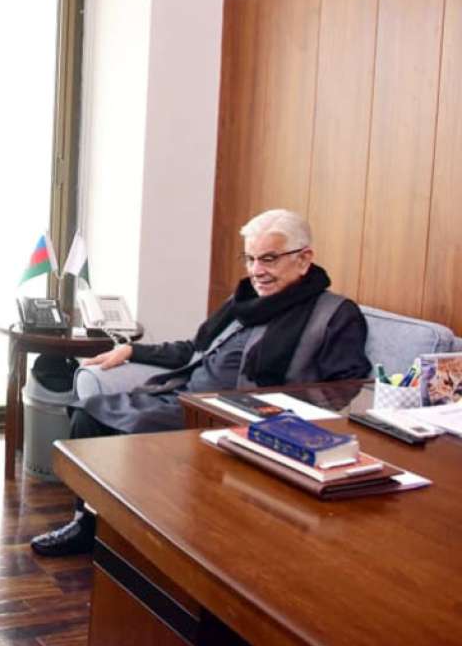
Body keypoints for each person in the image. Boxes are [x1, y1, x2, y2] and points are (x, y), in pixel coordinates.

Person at [30, 209, 371, 557]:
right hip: (184, 398)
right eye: (250, 259)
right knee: (88, 413)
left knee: (119, 423)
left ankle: (129, 539)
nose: (256, 270)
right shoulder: (245, 301)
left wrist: (279, 406)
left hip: (237, 419)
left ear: (304, 259)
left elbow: (347, 386)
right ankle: (86, 523)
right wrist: (132, 350)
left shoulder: (334, 314)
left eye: (269, 259)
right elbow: (194, 349)